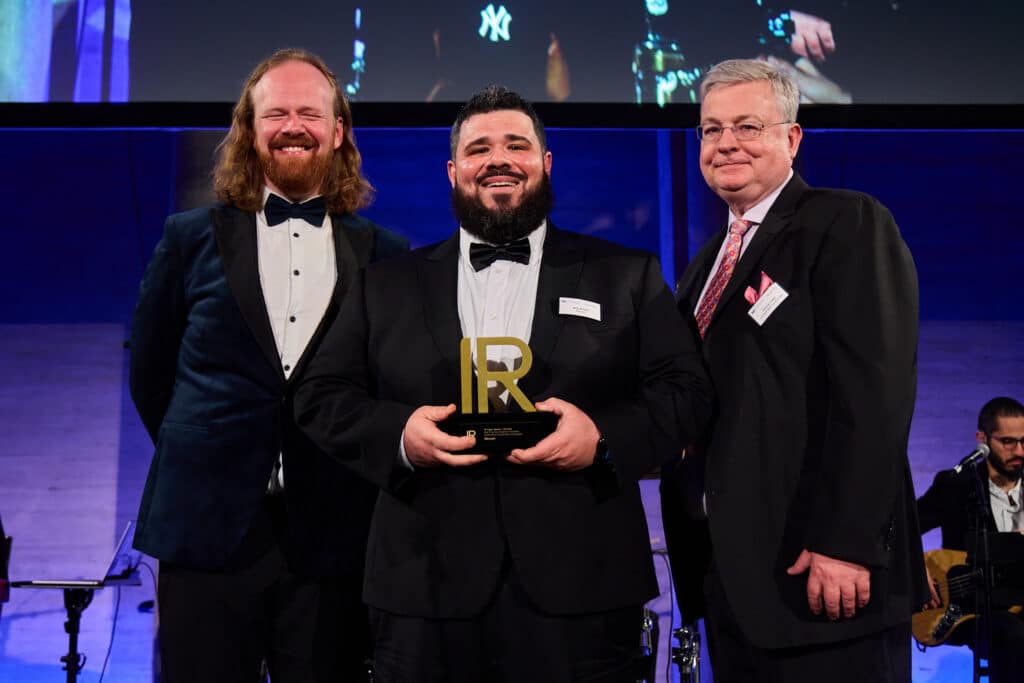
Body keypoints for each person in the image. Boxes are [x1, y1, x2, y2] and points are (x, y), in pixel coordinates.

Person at [294, 84, 713, 681]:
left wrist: (601, 440)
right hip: (423, 588)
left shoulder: (626, 275)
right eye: (479, 148)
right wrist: (401, 437)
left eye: (517, 145)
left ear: (545, 163)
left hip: (584, 590)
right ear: (453, 171)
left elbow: (686, 393)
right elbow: (319, 396)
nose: (499, 159)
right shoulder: (383, 285)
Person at [129, 48, 408, 683]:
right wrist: (209, 451)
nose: (293, 126)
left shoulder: (385, 254)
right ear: (249, 129)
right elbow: (150, 374)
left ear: (338, 130)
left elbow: (385, 387)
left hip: (332, 534)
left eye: (310, 113)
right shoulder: (187, 238)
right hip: (206, 526)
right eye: (276, 113)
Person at [661, 58, 928, 682]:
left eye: (747, 126)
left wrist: (847, 542)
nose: (726, 143)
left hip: (824, 576)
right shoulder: (704, 265)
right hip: (733, 584)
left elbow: (875, 393)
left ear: (792, 137)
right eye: (711, 129)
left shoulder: (846, 222)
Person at [917, 396, 1024, 683]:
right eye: (1008, 442)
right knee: (1013, 635)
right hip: (971, 611)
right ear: (982, 439)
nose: (1019, 451)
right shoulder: (956, 485)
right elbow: (903, 527)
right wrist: (916, 567)